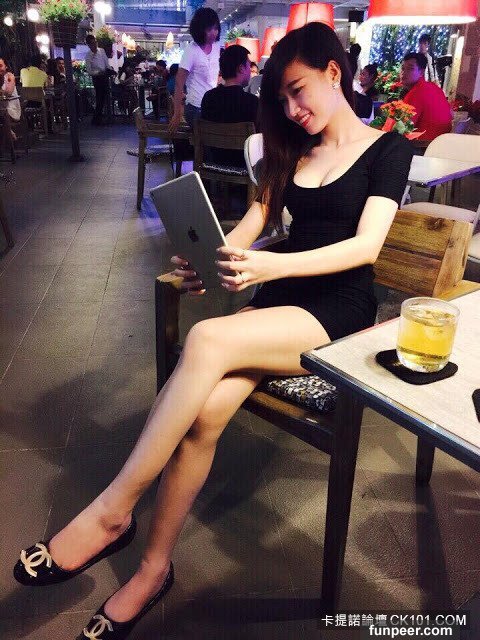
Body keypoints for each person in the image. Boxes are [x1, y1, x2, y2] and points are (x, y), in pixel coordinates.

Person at [13, 22, 413, 640]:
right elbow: (256, 218)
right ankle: (154, 570)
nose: (292, 110)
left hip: (339, 310)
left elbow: (366, 248)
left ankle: (113, 512)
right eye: (281, 99)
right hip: (281, 304)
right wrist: (214, 260)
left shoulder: (388, 150)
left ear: (334, 72)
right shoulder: (291, 147)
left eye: (298, 91)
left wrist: (269, 266)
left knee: (204, 339)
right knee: (205, 415)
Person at [201, 44, 258, 167]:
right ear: (241, 68)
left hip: (213, 164)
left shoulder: (208, 98)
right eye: (248, 66)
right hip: (245, 167)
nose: (250, 70)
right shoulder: (252, 102)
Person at [168, 7, 221, 132]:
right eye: (209, 29)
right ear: (200, 30)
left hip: (212, 105)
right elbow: (179, 83)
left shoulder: (217, 47)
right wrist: (177, 113)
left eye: (216, 28)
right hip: (195, 107)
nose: (213, 33)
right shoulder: (191, 50)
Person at [400, 53, 452, 141]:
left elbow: (402, 128)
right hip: (441, 143)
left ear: (421, 72)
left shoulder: (417, 92)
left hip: (422, 145)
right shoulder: (435, 88)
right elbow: (451, 115)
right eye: (403, 68)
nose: (403, 72)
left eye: (410, 68)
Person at [85, 33, 115, 125]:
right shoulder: (88, 56)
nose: (95, 45)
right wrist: (98, 73)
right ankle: (97, 119)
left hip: (105, 76)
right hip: (97, 78)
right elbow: (89, 71)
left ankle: (104, 117)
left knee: (106, 97)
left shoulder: (101, 51)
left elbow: (106, 63)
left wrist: (110, 70)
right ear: (89, 45)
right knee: (99, 98)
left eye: (95, 42)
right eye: (92, 43)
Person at [0, 58, 21, 123]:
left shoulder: (9, 76)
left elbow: (8, 93)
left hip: (11, 109)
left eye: (0, 66)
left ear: (6, 66)